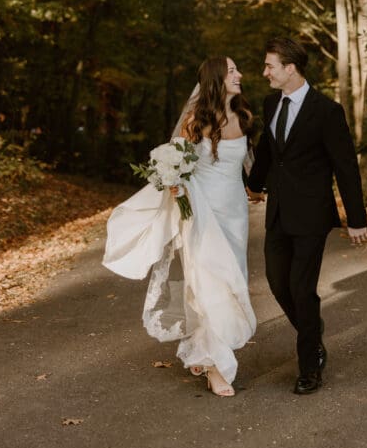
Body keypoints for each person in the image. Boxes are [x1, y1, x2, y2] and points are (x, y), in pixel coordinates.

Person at [103, 56, 256, 397]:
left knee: (233, 283)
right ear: (216, 78)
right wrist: (174, 182)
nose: (239, 75)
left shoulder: (244, 116)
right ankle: (217, 367)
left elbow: (245, 166)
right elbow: (177, 165)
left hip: (235, 214)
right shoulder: (195, 121)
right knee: (208, 285)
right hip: (201, 213)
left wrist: (255, 188)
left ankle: (203, 347)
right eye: (232, 71)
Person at [246, 36, 367, 395]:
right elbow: (268, 151)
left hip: (312, 215)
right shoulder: (271, 104)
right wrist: (254, 185)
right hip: (279, 212)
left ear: (290, 68)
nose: (264, 71)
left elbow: (346, 168)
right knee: (276, 281)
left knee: (301, 288)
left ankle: (309, 365)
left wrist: (356, 218)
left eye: (270, 65)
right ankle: (314, 335)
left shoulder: (327, 111)